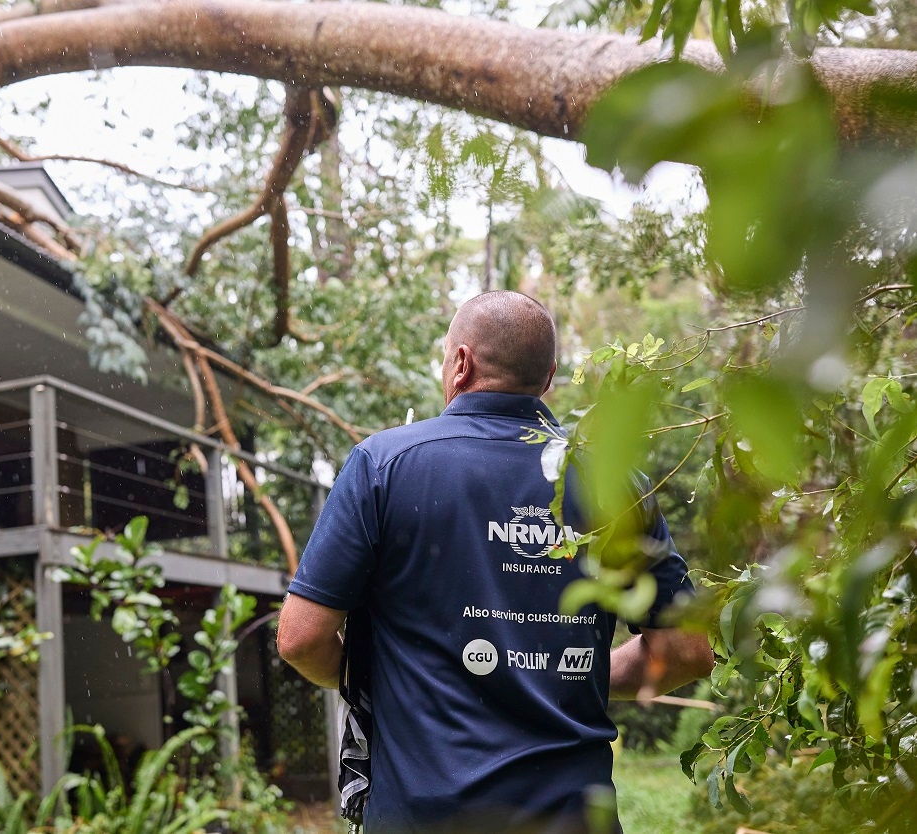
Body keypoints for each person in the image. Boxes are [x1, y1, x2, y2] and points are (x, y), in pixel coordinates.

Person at [277, 290, 714, 834]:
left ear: (460, 364)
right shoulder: (616, 484)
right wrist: (553, 672)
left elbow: (300, 638)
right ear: (548, 376)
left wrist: (379, 681)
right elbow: (688, 652)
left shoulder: (384, 465)